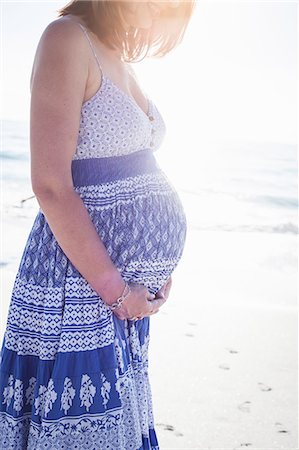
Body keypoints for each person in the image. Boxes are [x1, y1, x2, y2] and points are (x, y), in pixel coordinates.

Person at [0, 1, 195, 448]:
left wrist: (155, 271)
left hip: (118, 296)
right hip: (80, 285)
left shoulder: (117, 54)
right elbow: (50, 184)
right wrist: (117, 290)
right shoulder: (67, 39)